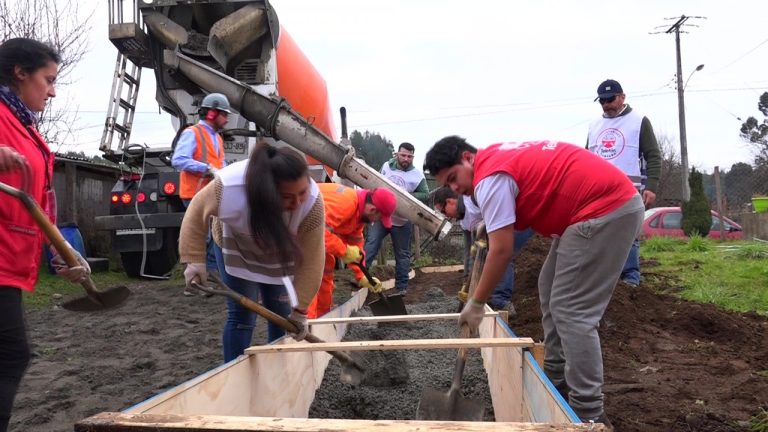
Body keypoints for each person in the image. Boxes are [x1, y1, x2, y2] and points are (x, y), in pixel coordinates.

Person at [424, 136, 644, 428]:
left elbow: (501, 251)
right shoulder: (493, 159)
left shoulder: (491, 178)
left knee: (572, 311)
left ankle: (589, 413)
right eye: (447, 184)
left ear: (468, 157)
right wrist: (486, 223)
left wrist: (477, 303)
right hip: (587, 211)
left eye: (453, 178)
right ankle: (555, 379)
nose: (454, 188)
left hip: (605, 208)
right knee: (548, 285)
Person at [0, 38, 91, 432]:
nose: (52, 91)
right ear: (21, 73)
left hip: (11, 261)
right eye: (48, 79)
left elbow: (38, 200)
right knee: (11, 355)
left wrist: (62, 251)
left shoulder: (25, 125)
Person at [179, 143, 325, 363]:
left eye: (302, 192)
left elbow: (313, 259)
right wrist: (194, 261)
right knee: (241, 317)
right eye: (287, 197)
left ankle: (276, 371)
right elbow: (196, 211)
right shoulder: (230, 187)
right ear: (268, 191)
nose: (297, 202)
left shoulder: (312, 204)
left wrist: (300, 309)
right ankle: (234, 373)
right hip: (236, 246)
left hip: (279, 253)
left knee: (281, 317)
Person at [587, 79, 661, 288]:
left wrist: (651, 186)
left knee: (628, 233)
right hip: (598, 190)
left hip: (628, 189)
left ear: (622, 97)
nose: (606, 105)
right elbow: (585, 159)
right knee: (598, 232)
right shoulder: (594, 125)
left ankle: (630, 278)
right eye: (602, 101)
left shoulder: (639, 122)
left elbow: (653, 155)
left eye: (610, 100)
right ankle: (602, 276)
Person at [432, 186, 533, 315]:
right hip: (495, 229)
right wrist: (467, 279)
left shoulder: (475, 198)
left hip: (519, 220)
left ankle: (501, 303)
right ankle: (487, 298)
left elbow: (503, 210)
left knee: (502, 256)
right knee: (489, 255)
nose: (447, 217)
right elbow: (470, 252)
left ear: (451, 201)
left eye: (444, 212)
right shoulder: (464, 222)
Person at [307, 184, 397, 319]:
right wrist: (344, 251)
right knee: (310, 280)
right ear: (373, 209)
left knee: (326, 268)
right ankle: (308, 324)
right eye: (379, 218)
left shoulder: (358, 215)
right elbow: (316, 232)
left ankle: (321, 322)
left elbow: (356, 246)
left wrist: (363, 276)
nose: (375, 222)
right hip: (299, 235)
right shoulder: (346, 204)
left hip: (313, 242)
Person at [172, 93, 230, 295]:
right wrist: (206, 168)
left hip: (212, 195)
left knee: (214, 237)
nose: (228, 119)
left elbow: (220, 165)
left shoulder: (218, 139)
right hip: (195, 195)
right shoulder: (192, 133)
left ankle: (209, 280)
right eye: (224, 114)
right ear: (212, 113)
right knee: (201, 238)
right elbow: (178, 159)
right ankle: (193, 284)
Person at [364, 142, 429, 293]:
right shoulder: (386, 166)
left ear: (413, 157)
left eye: (409, 156)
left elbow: (425, 194)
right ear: (397, 154)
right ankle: (361, 278)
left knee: (402, 254)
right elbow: (376, 181)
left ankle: (401, 287)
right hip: (381, 216)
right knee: (371, 245)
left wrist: (406, 196)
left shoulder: (417, 175)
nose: (406, 159)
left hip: (402, 220)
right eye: (403, 155)